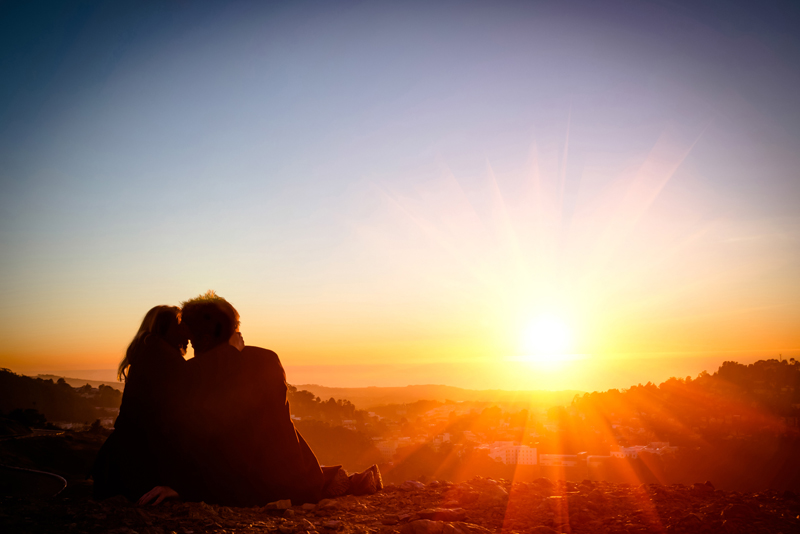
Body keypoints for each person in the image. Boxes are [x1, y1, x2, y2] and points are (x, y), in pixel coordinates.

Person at [91, 305, 188, 503]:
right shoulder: (161, 355)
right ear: (163, 328)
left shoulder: (148, 352)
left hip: (123, 457)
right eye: (180, 324)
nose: (186, 331)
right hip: (140, 461)